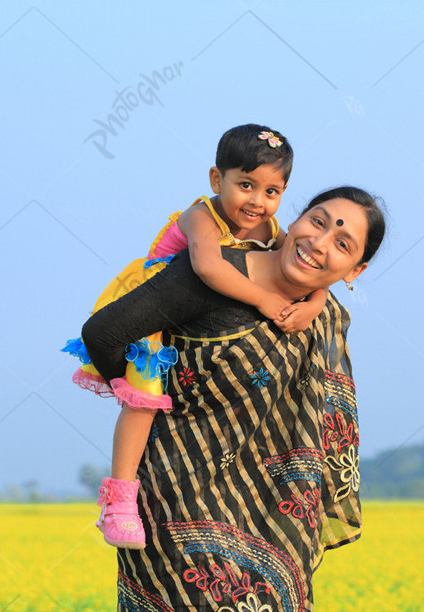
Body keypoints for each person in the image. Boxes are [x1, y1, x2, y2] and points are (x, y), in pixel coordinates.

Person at [80, 187, 385, 611]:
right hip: (175, 514)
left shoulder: (325, 313)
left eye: (342, 243)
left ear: (356, 269)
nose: (319, 243)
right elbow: (102, 334)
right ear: (295, 222)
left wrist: (315, 302)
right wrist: (143, 391)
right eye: (318, 221)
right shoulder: (208, 276)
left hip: (278, 523)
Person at [62, 124, 329, 549]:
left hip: (192, 329)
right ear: (215, 179)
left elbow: (304, 269)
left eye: (272, 191)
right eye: (245, 185)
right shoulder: (200, 216)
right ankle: (119, 503)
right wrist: (263, 300)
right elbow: (208, 268)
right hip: (151, 314)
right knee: (143, 401)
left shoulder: (269, 229)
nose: (258, 202)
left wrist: (314, 305)